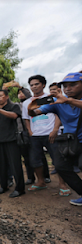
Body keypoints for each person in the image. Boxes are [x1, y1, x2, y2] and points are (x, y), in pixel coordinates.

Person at [28, 72, 82, 206]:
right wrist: (31, 109)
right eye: (65, 86)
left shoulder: (66, 100)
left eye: (73, 85)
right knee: (60, 166)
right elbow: (35, 113)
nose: (68, 88)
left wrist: (68, 100)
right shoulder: (58, 103)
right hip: (69, 143)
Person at [22, 75, 69, 194]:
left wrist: (55, 129)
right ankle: (41, 182)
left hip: (51, 133)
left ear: (43, 85)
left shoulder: (52, 98)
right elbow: (26, 119)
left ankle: (63, 184)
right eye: (31, 85)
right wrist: (30, 132)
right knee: (35, 160)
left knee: (58, 160)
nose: (34, 87)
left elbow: (59, 114)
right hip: (35, 135)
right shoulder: (27, 102)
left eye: (36, 84)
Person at [0, 89, 25, 198]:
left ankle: (20, 189)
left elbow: (14, 116)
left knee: (15, 165)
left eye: (1, 96)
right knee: (1, 165)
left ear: (7, 97)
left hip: (12, 139)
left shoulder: (13, 106)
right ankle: (4, 185)